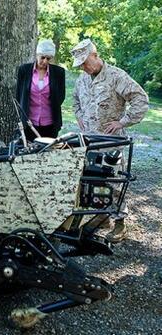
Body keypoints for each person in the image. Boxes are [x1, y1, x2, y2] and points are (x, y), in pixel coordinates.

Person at [71, 38, 149, 242]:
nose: (84, 68)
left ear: (95, 56)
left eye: (85, 63)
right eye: (80, 65)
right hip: (90, 140)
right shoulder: (82, 79)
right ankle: (101, 215)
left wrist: (122, 122)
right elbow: (75, 101)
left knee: (114, 182)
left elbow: (141, 100)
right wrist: (79, 116)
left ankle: (120, 223)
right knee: (91, 178)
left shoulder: (116, 76)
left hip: (111, 141)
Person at [16, 40, 65, 141]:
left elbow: (61, 96)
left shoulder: (58, 72)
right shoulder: (24, 70)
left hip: (50, 124)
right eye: (42, 57)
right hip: (29, 124)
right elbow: (19, 95)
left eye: (48, 58)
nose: (45, 61)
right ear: (37, 54)